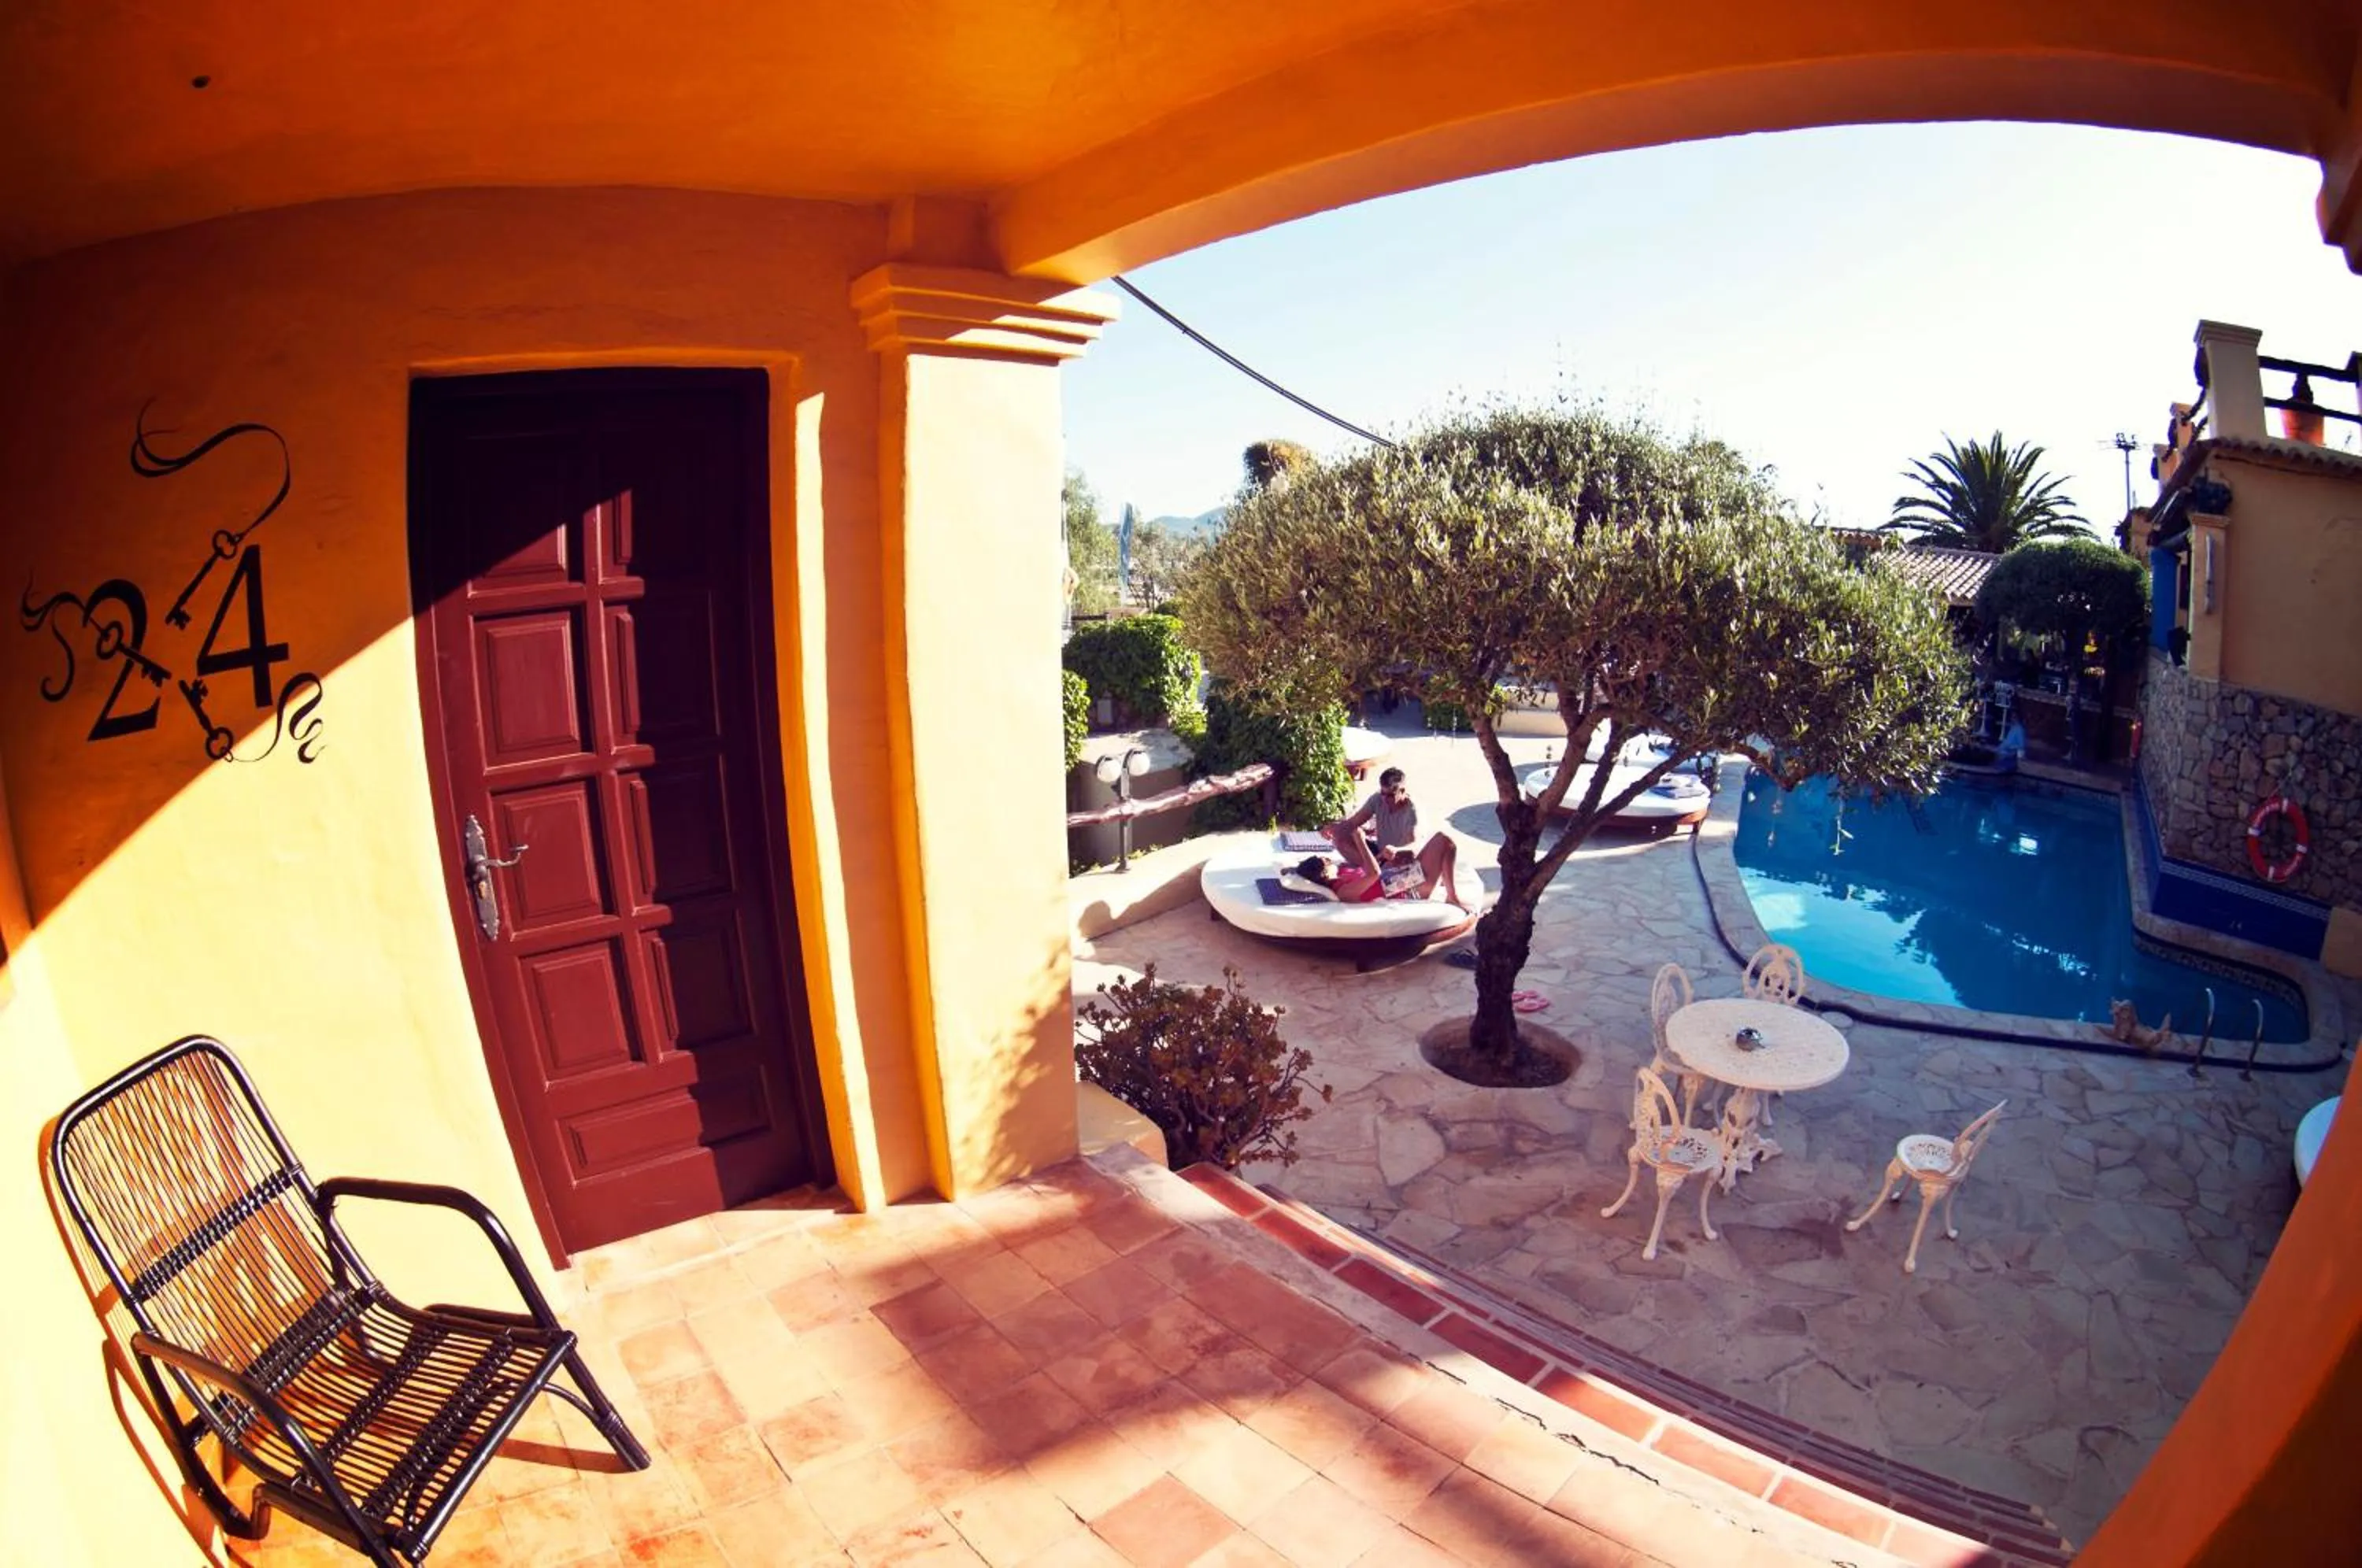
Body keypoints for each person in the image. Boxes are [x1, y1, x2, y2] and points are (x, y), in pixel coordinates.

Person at [1297, 821, 1467, 909]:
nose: (1330, 860)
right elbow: (1373, 875)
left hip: (1402, 876)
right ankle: (1452, 897)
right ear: (1324, 874)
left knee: (1411, 852)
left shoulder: (1342, 875)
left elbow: (1372, 874)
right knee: (1445, 841)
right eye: (1326, 862)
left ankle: (1444, 879)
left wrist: (1384, 859)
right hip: (1413, 888)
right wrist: (1360, 841)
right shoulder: (1343, 891)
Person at [1332, 767, 1417, 851]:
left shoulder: (1412, 811)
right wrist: (1333, 829)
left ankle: (1372, 864)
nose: (1385, 799)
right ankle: (1372, 864)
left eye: (1390, 796)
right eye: (1383, 793)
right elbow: (1353, 823)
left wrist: (1396, 851)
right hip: (1380, 852)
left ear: (1402, 791)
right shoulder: (1378, 798)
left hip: (1401, 857)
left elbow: (1415, 846)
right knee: (1340, 838)